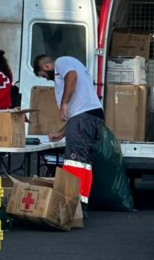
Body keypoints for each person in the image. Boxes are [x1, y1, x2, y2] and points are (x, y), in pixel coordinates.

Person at [34, 54, 104, 213]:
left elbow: (71, 76)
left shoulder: (61, 62)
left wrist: (63, 103)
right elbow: (77, 116)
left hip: (83, 119)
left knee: (74, 162)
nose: (46, 80)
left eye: (44, 76)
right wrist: (61, 133)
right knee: (84, 164)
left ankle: (70, 204)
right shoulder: (73, 64)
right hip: (91, 117)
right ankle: (81, 204)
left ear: (46, 67)